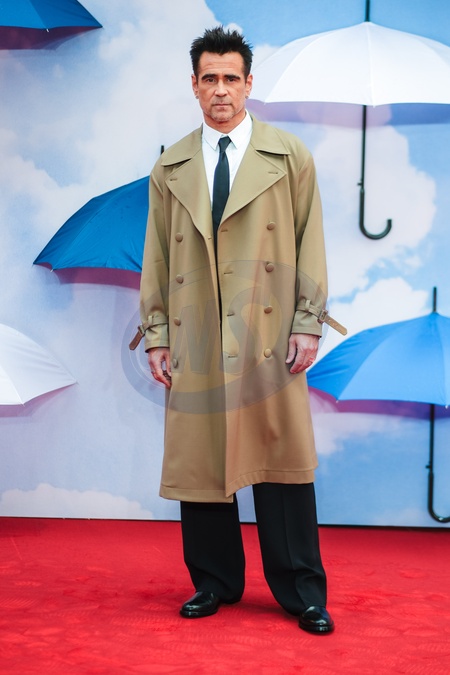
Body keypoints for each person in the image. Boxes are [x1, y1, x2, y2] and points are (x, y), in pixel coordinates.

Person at [133, 26, 345, 634]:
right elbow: (157, 255)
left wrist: (307, 322)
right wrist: (158, 332)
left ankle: (302, 592)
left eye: (231, 78)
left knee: (282, 461)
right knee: (202, 462)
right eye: (210, 79)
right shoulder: (171, 165)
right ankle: (213, 582)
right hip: (197, 330)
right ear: (194, 86)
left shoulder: (289, 156)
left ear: (249, 84)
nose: (221, 89)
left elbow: (309, 242)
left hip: (268, 333)